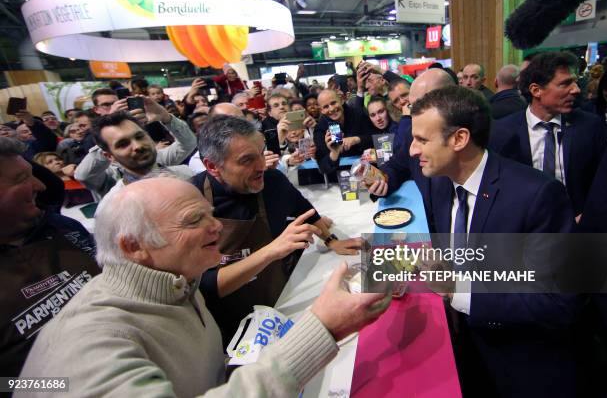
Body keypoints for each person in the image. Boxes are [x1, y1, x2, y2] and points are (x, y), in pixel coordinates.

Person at [16, 177, 389, 397]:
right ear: (134, 246)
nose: (216, 228)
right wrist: (320, 328)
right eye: (195, 220)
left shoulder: (176, 281)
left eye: (211, 214)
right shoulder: (88, 342)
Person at [368, 85, 580, 396]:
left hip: (515, 362)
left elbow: (559, 302)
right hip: (458, 343)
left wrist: (457, 290)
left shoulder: (537, 196)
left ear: (459, 139)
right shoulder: (442, 180)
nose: (412, 150)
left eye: (421, 140)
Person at [193, 115, 363, 344]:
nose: (262, 166)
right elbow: (204, 287)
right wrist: (271, 251)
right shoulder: (191, 201)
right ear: (213, 166)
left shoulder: (272, 181)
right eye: (247, 160)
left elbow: (306, 211)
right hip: (235, 329)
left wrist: (331, 240)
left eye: (262, 153)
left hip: (283, 301)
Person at [0, 138, 100, 378]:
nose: (40, 186)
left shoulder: (62, 227)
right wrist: (64, 388)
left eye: (32, 174)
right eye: (21, 179)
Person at [493, 51, 607, 217]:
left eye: (575, 82)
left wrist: (588, 215)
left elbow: (602, 183)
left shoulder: (590, 126)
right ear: (536, 90)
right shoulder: (503, 130)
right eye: (565, 84)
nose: (575, 90)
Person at [74, 98, 196, 200]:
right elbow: (83, 175)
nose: (137, 146)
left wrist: (166, 117)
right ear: (109, 156)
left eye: (139, 136)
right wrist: (108, 130)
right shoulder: (113, 197)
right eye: (123, 144)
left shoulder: (185, 174)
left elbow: (188, 143)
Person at [313, 89, 372, 175]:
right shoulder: (320, 130)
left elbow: (375, 137)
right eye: (326, 107)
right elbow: (323, 169)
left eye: (333, 103)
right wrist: (334, 153)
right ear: (321, 110)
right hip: (339, 177)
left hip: (368, 170)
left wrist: (357, 139)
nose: (332, 109)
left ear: (341, 100)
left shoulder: (358, 114)